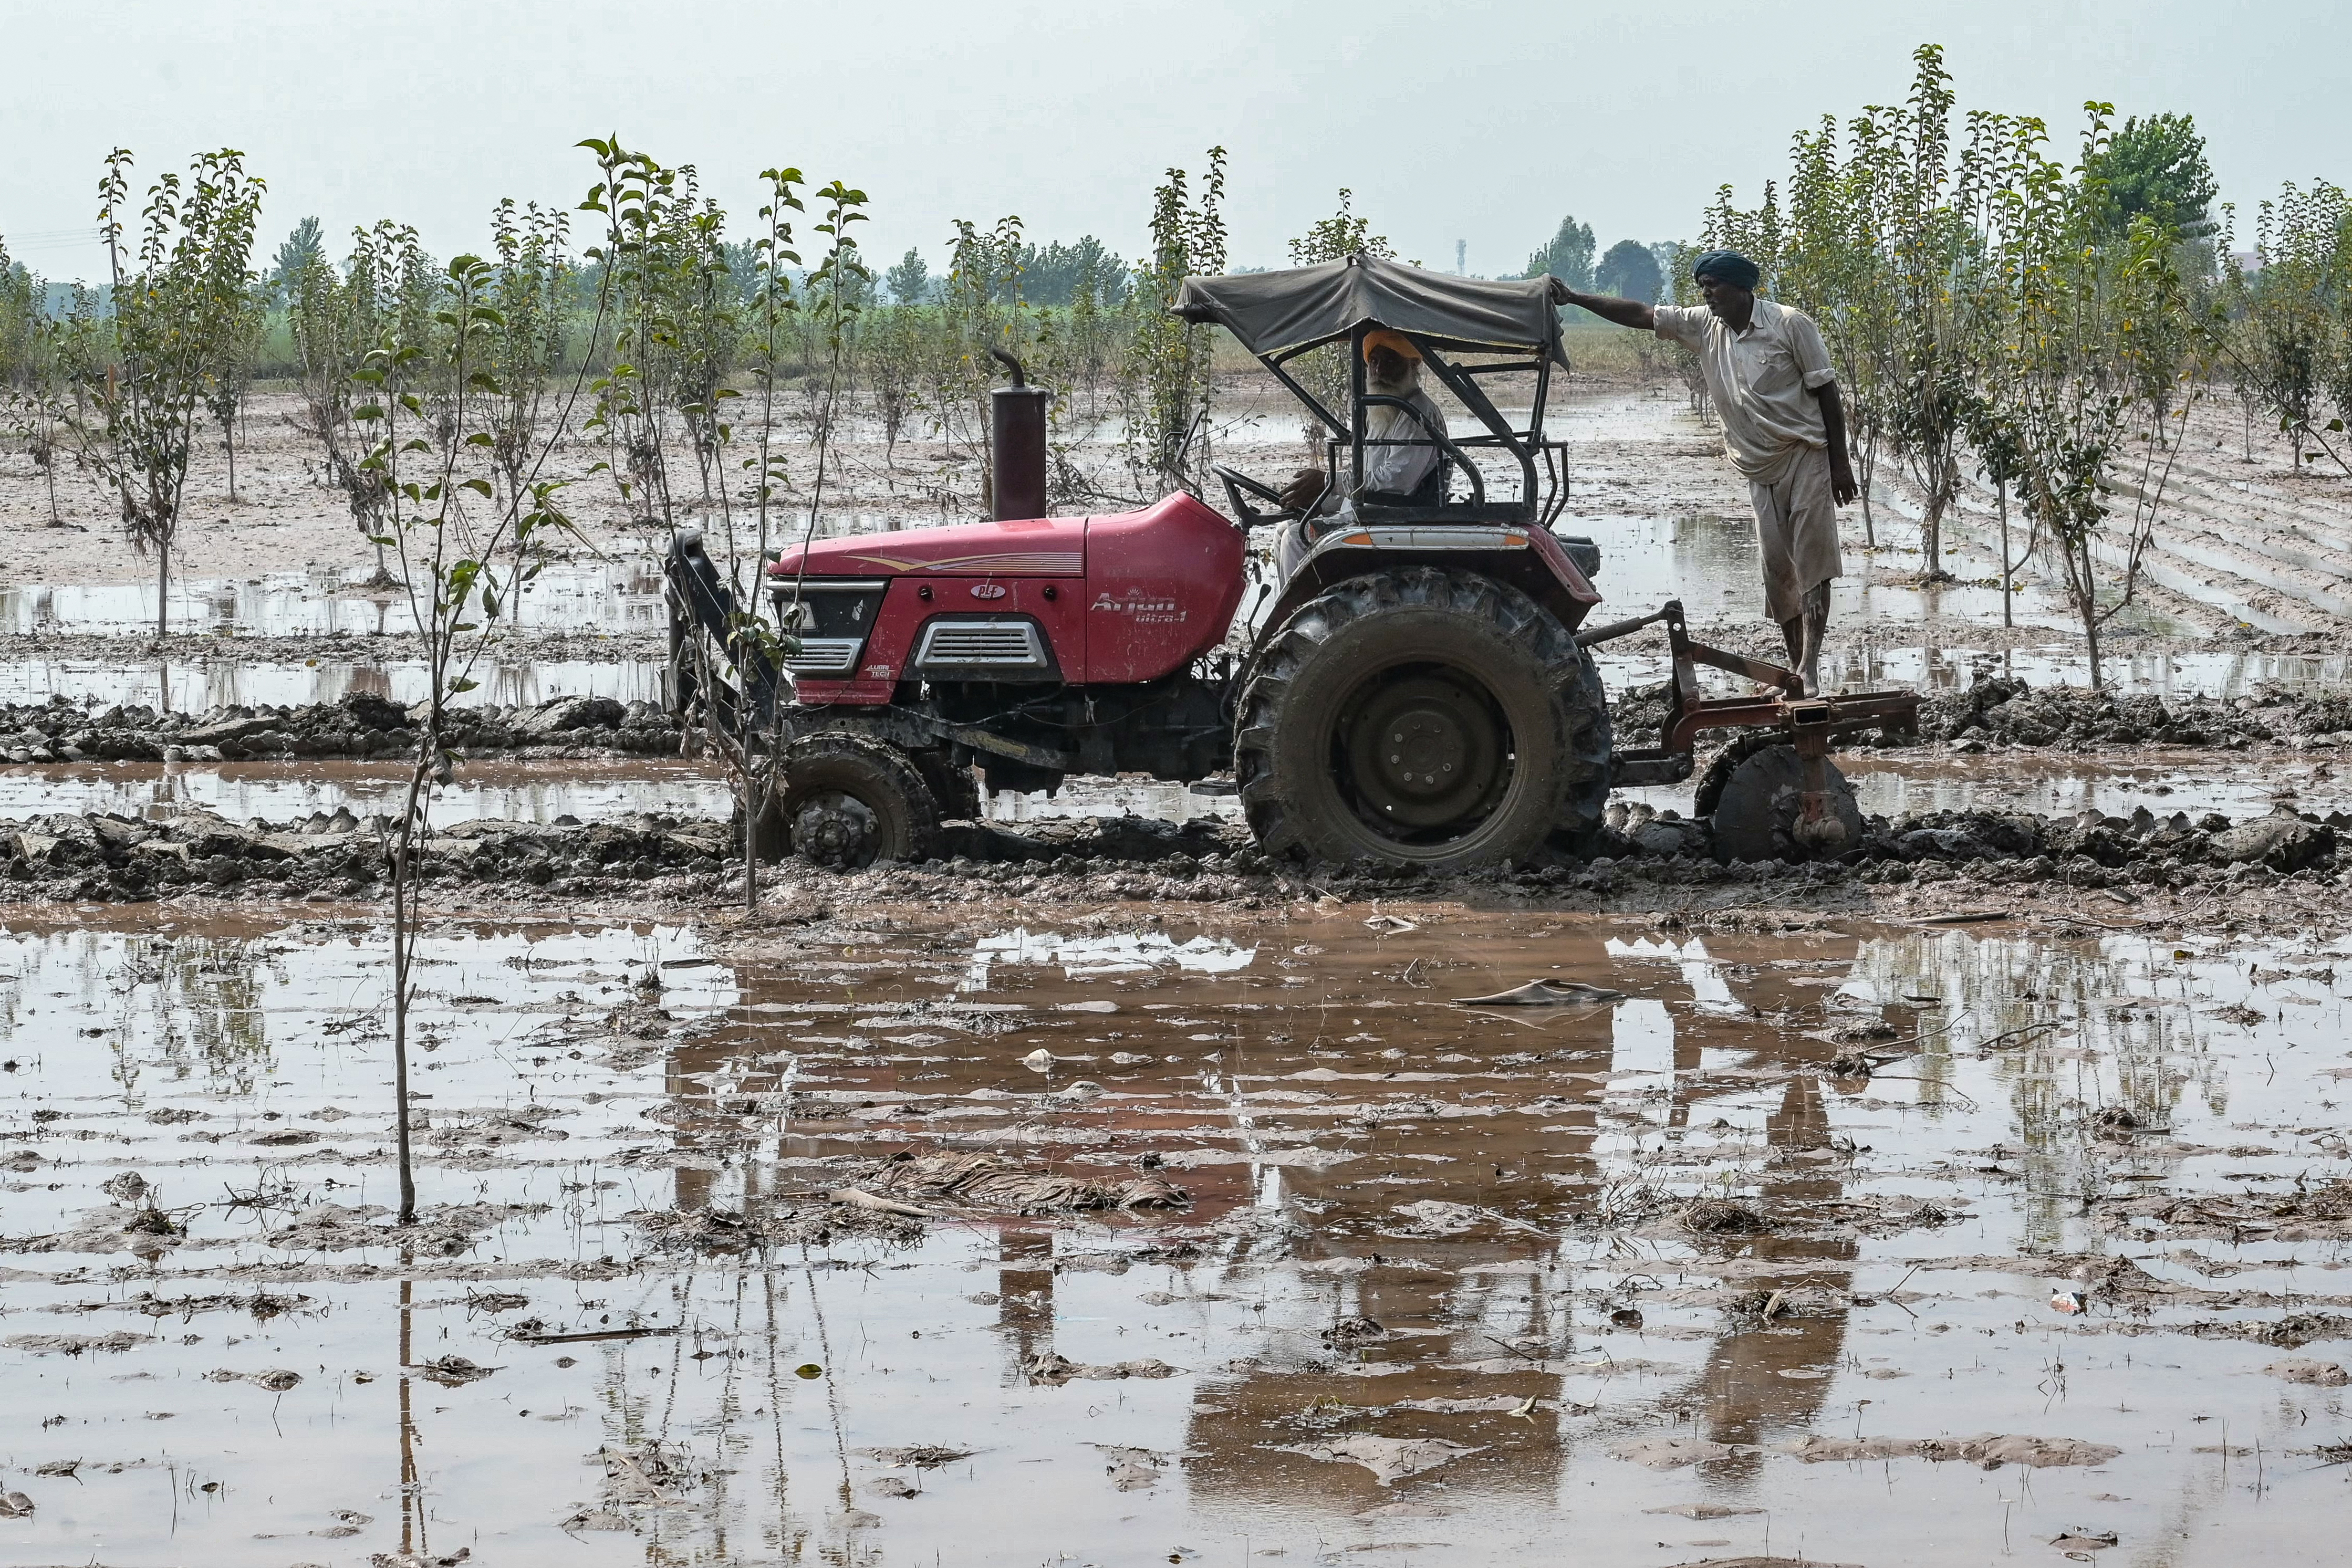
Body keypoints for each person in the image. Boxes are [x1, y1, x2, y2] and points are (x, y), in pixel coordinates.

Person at [1558, 250, 1856, 697]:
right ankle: (1794, 669)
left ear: (1742, 288)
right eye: (1703, 286)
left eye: (1714, 284)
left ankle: (1810, 670)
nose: (1706, 292)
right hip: (1758, 466)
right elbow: (1641, 314)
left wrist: (1840, 462)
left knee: (1813, 565)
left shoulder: (1790, 324)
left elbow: (1827, 392)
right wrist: (1575, 298)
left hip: (1805, 454)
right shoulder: (1704, 325)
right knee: (1778, 573)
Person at [1272, 329, 1449, 580]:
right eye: (1374, 362)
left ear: (1412, 365)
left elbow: (1396, 482)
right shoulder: (1384, 408)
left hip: (1393, 517)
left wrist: (1328, 482)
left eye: (1390, 361)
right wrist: (1321, 497)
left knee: (1295, 538)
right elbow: (1368, 475)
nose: (1379, 371)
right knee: (1283, 530)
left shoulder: (1417, 413)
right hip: (1374, 510)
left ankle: (1299, 615)